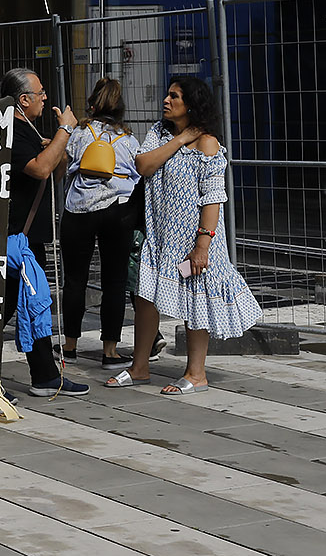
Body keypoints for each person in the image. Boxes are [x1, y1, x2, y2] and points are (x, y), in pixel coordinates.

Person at [107, 76, 261, 396]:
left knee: (195, 300)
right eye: (167, 94)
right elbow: (143, 165)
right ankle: (139, 367)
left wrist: (202, 245)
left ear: (191, 104)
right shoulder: (160, 133)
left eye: (174, 96)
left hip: (194, 241)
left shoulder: (207, 143)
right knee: (145, 298)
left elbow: (213, 198)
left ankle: (196, 374)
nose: (166, 100)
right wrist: (179, 139)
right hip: (160, 237)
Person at [3, 67, 89, 398]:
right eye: (40, 93)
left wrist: (58, 142)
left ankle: (45, 376)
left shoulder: (27, 129)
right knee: (1, 311)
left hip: (28, 238)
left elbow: (55, 167)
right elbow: (40, 169)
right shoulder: (12, 130)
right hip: (14, 239)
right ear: (24, 99)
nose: (45, 98)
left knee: (35, 303)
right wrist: (65, 129)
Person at [60, 78, 140, 368]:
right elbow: (137, 173)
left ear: (92, 104)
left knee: (75, 280)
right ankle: (110, 352)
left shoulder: (80, 133)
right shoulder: (129, 140)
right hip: (118, 212)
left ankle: (70, 347)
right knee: (115, 281)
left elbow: (65, 164)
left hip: (79, 209)